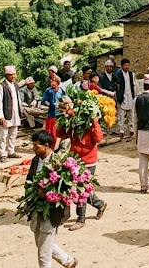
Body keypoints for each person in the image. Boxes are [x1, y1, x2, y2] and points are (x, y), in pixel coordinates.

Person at [26, 130, 78, 268]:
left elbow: (65, 190)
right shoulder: (35, 160)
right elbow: (29, 181)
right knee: (41, 243)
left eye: (36, 146)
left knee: (43, 254)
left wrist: (48, 192)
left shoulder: (59, 164)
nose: (34, 148)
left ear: (47, 145)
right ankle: (68, 260)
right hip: (37, 209)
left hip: (52, 212)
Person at [54, 98, 107, 229]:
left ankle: (81, 219)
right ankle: (99, 204)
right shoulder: (72, 123)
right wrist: (63, 118)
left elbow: (99, 138)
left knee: (81, 189)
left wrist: (94, 122)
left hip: (89, 161)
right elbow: (59, 133)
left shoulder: (90, 124)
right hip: (75, 160)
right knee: (80, 189)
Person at [0, 65, 22, 163]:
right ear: (7, 75)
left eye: (14, 75)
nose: (14, 77)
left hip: (15, 114)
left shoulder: (15, 85)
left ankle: (11, 151)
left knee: (13, 134)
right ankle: (2, 154)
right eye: (11, 75)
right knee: (3, 135)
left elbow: (18, 100)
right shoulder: (1, 87)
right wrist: (1, 116)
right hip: (6, 115)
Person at [114, 58, 141, 140]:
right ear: (122, 66)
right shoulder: (117, 74)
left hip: (130, 96)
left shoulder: (131, 74)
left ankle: (132, 130)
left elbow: (133, 85)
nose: (127, 67)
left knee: (131, 115)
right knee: (121, 116)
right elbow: (117, 86)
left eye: (128, 65)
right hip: (121, 96)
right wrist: (118, 96)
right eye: (125, 65)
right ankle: (121, 131)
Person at [41, 76, 64, 146]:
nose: (52, 83)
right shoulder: (48, 90)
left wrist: (61, 105)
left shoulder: (61, 91)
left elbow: (64, 100)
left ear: (58, 83)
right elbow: (44, 100)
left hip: (58, 115)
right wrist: (48, 104)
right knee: (49, 132)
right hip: (50, 114)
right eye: (52, 81)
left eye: (54, 82)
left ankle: (55, 146)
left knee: (56, 133)